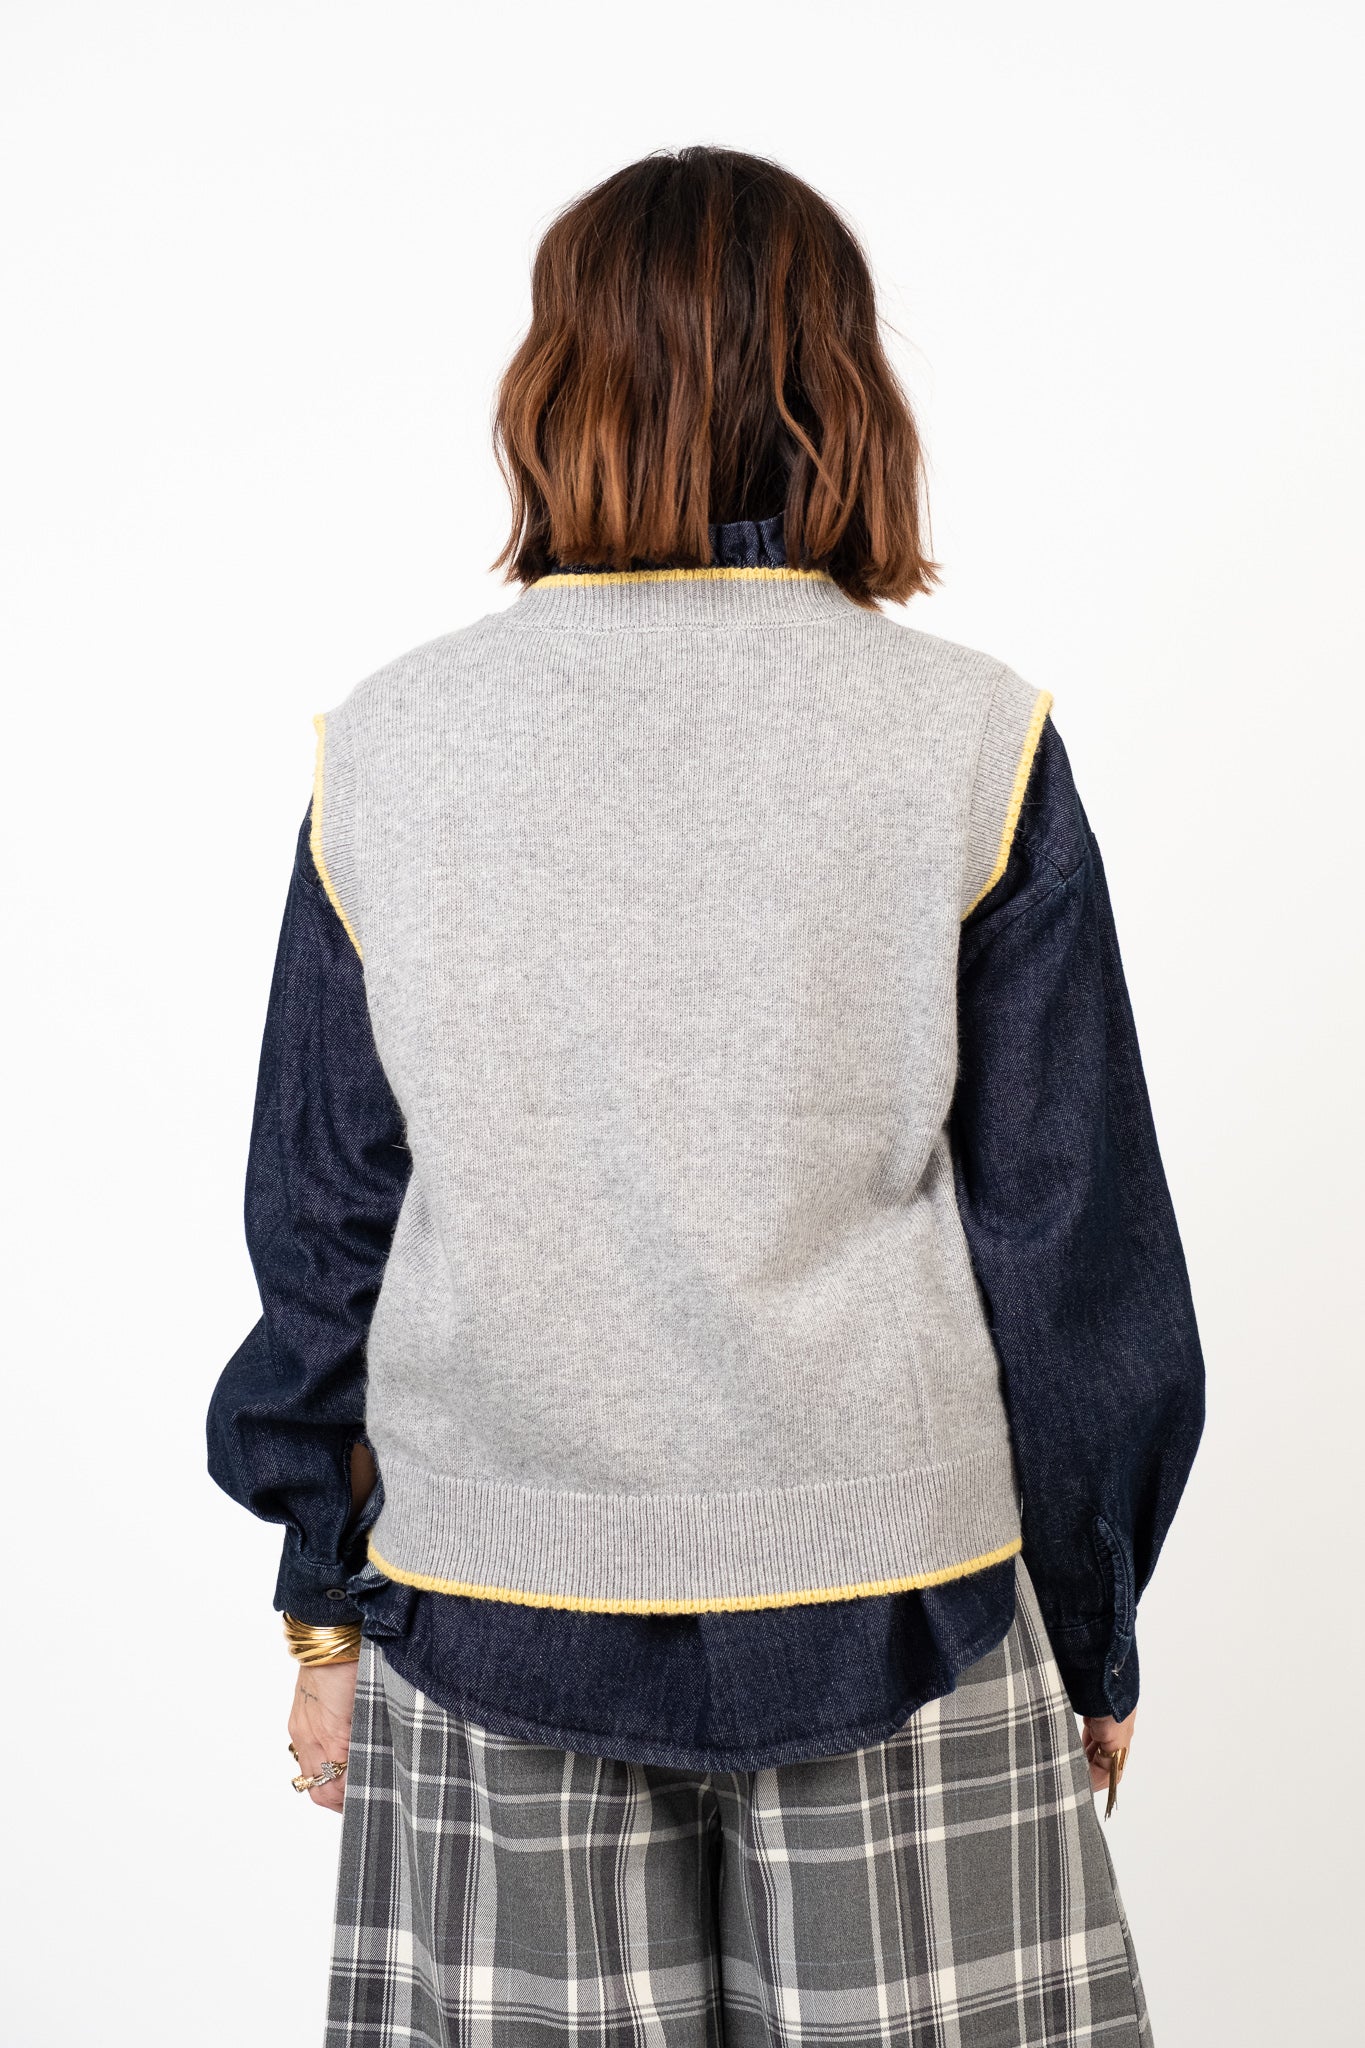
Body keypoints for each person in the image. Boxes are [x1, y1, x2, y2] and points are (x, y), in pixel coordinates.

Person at [208, 145, 1204, 2046]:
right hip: (900, 1595)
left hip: (484, 1587)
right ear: (842, 390)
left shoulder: (390, 746)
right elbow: (1071, 1249)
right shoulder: (968, 738)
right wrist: (1091, 1624)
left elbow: (328, 1220)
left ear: (552, 388)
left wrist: (324, 1604)